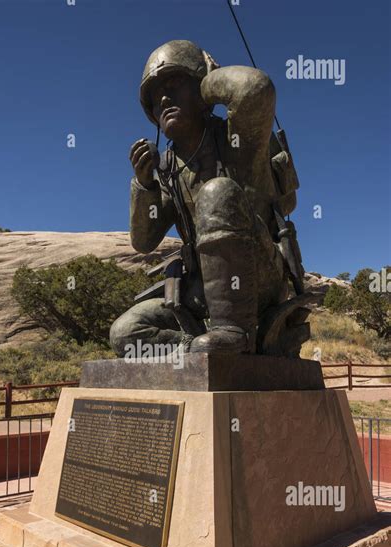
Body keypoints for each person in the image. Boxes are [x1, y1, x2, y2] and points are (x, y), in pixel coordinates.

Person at [110, 39, 309, 358]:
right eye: (155, 96)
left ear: (202, 89)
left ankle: (236, 333)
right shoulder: (168, 168)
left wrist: (209, 77)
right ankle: (200, 349)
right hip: (201, 291)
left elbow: (255, 88)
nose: (163, 98)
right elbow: (144, 241)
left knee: (217, 191)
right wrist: (145, 184)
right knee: (124, 334)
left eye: (174, 84)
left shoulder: (237, 139)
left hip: (259, 275)